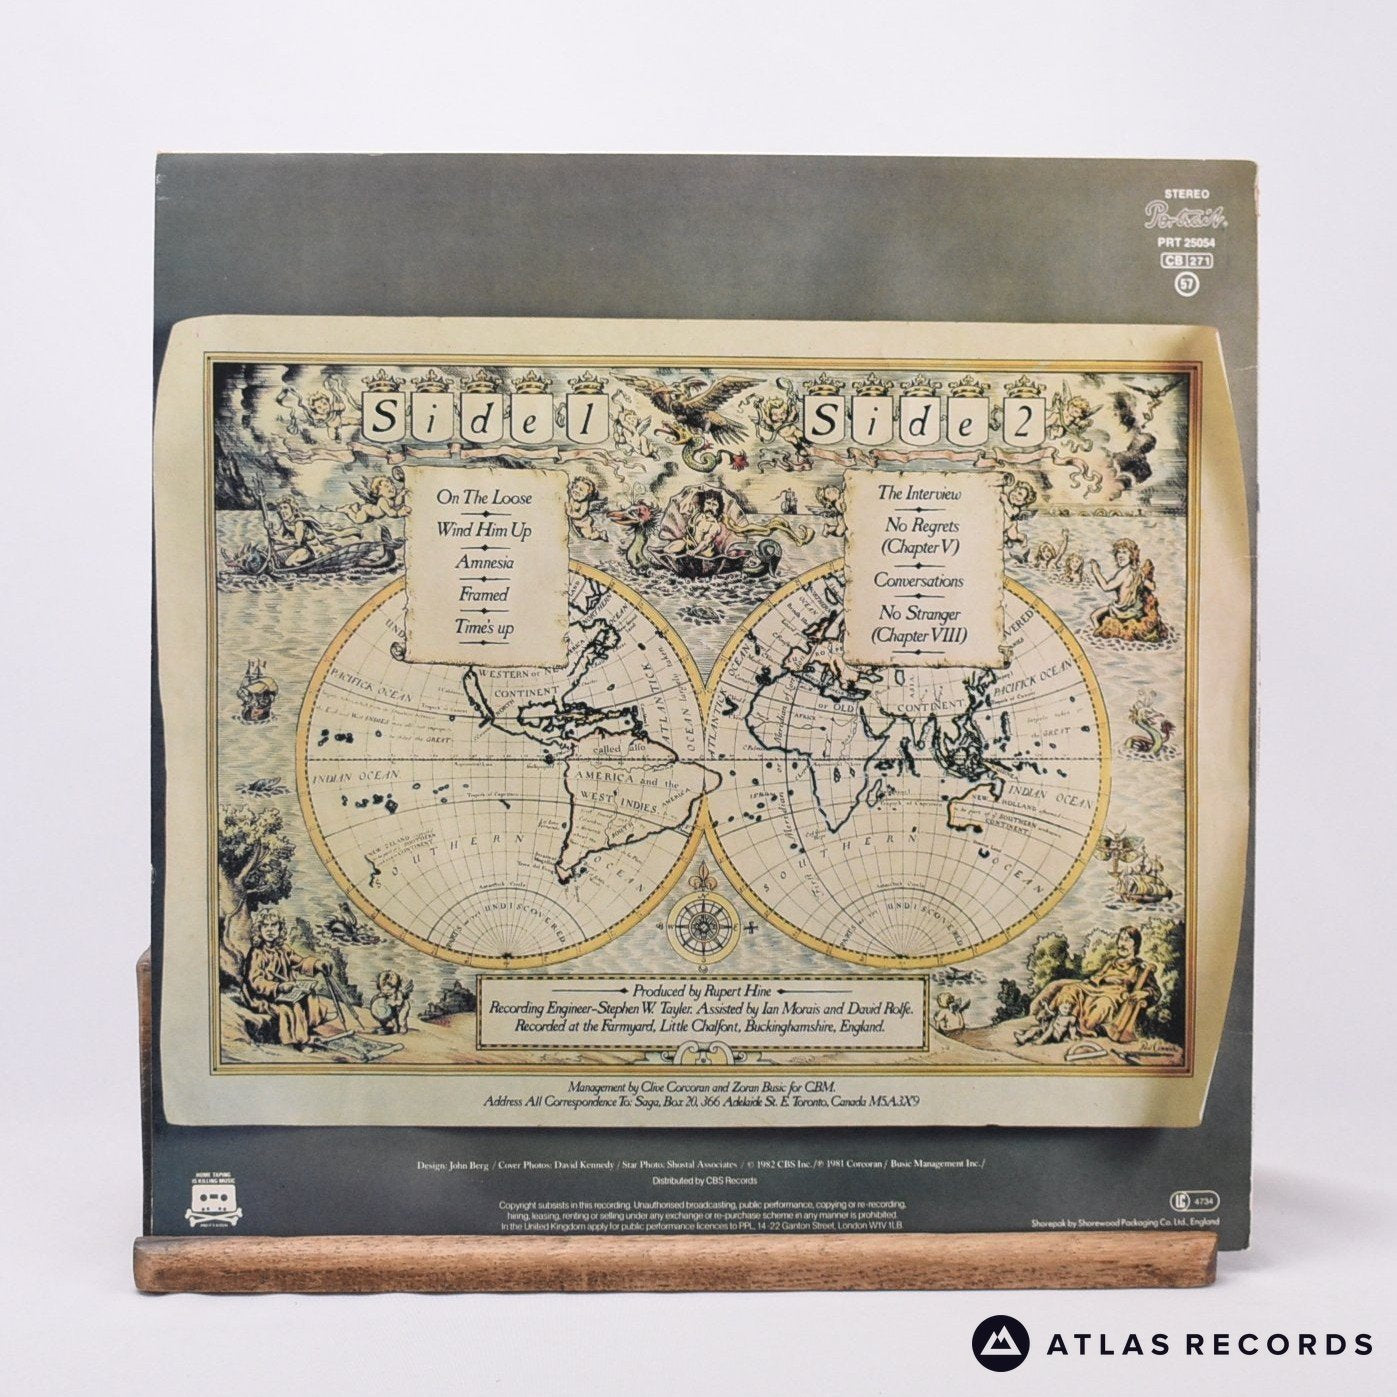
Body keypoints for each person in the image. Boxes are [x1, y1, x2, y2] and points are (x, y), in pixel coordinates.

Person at [1026, 927, 1159, 1044]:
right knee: (1070, 989)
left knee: (1102, 1005)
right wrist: (1099, 980)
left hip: (1113, 997)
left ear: (1135, 945)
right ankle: (1050, 1018)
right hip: (1095, 989)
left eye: (1127, 940)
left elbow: (1156, 991)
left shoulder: (1140, 968)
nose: (1122, 943)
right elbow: (1097, 977)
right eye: (1121, 939)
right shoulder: (1111, 963)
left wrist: (1144, 992)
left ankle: (1077, 1029)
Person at [240, 913, 334, 1048]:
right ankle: (300, 1041)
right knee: (290, 1008)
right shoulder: (257, 953)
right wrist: (278, 987)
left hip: (284, 992)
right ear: (259, 929)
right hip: (264, 996)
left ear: (280, 928)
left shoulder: (283, 949)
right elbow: (256, 981)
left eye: (274, 925)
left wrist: (317, 964)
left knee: (309, 995)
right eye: (265, 926)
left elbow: (299, 962)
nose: (270, 929)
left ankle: (313, 1022)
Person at [1088, 538, 1162, 641]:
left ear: (1132, 555)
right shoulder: (1138, 572)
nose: (1120, 555)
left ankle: (1099, 637)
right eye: (1118, 552)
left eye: (1124, 552)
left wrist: (1096, 572)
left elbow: (1106, 587)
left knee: (1094, 616)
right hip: (1137, 611)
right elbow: (1152, 587)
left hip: (1121, 611)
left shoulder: (1123, 573)